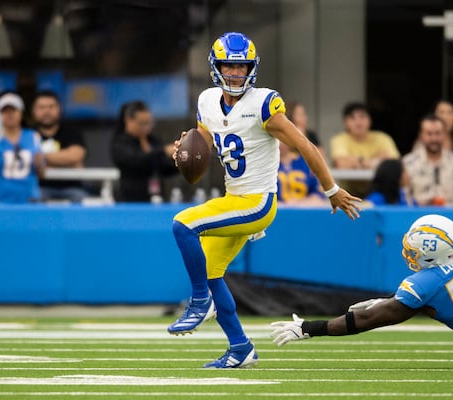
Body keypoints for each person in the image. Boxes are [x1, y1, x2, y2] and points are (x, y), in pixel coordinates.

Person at [168, 32, 361, 369]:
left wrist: (331, 189)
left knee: (183, 224)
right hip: (233, 200)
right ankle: (241, 348)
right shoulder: (207, 101)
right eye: (229, 65)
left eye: (241, 67)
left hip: (257, 203)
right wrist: (186, 151)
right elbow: (207, 142)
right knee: (212, 271)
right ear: (216, 67)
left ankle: (199, 302)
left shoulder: (264, 104)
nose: (235, 73)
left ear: (251, 68)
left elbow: (305, 146)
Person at [271, 214, 453, 365]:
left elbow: (366, 320)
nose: (410, 254)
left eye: (415, 252)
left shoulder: (425, 285)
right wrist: (390, 299)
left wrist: (309, 328)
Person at [0, 92, 45, 204]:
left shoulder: (33, 137)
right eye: (5, 111)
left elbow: (41, 174)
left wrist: (39, 163)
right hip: (1, 199)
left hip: (29, 199)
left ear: (21, 113)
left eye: (13, 110)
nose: (9, 114)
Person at [110, 100, 177, 202]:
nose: (146, 128)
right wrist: (162, 151)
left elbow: (164, 167)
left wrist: (181, 161)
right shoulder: (120, 143)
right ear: (129, 121)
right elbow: (136, 160)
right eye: (142, 123)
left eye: (149, 123)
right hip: (130, 200)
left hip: (156, 198)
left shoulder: (153, 141)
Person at [330, 102, 400, 197]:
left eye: (362, 117)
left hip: (380, 193)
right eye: (352, 118)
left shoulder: (383, 138)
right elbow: (341, 163)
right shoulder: (339, 140)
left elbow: (393, 165)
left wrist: (355, 162)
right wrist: (374, 161)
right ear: (345, 122)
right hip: (348, 195)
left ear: (370, 119)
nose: (358, 122)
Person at [31, 90, 89, 203]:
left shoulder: (71, 130)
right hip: (40, 187)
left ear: (60, 108)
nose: (47, 111)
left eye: (51, 107)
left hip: (72, 187)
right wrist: (66, 161)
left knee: (82, 200)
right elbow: (28, 160)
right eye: (41, 107)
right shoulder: (29, 133)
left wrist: (42, 158)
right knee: (33, 198)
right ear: (33, 111)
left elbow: (76, 156)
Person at [402, 114, 453, 206]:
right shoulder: (407, 164)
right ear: (421, 136)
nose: (434, 138)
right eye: (429, 134)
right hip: (418, 218)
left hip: (451, 218)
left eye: (437, 133)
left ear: (444, 135)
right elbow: (403, 199)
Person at [277, 141, 326, 206]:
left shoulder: (305, 163)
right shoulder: (266, 164)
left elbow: (318, 195)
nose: (281, 143)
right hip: (275, 210)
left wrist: (299, 203)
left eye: (282, 139)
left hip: (303, 211)